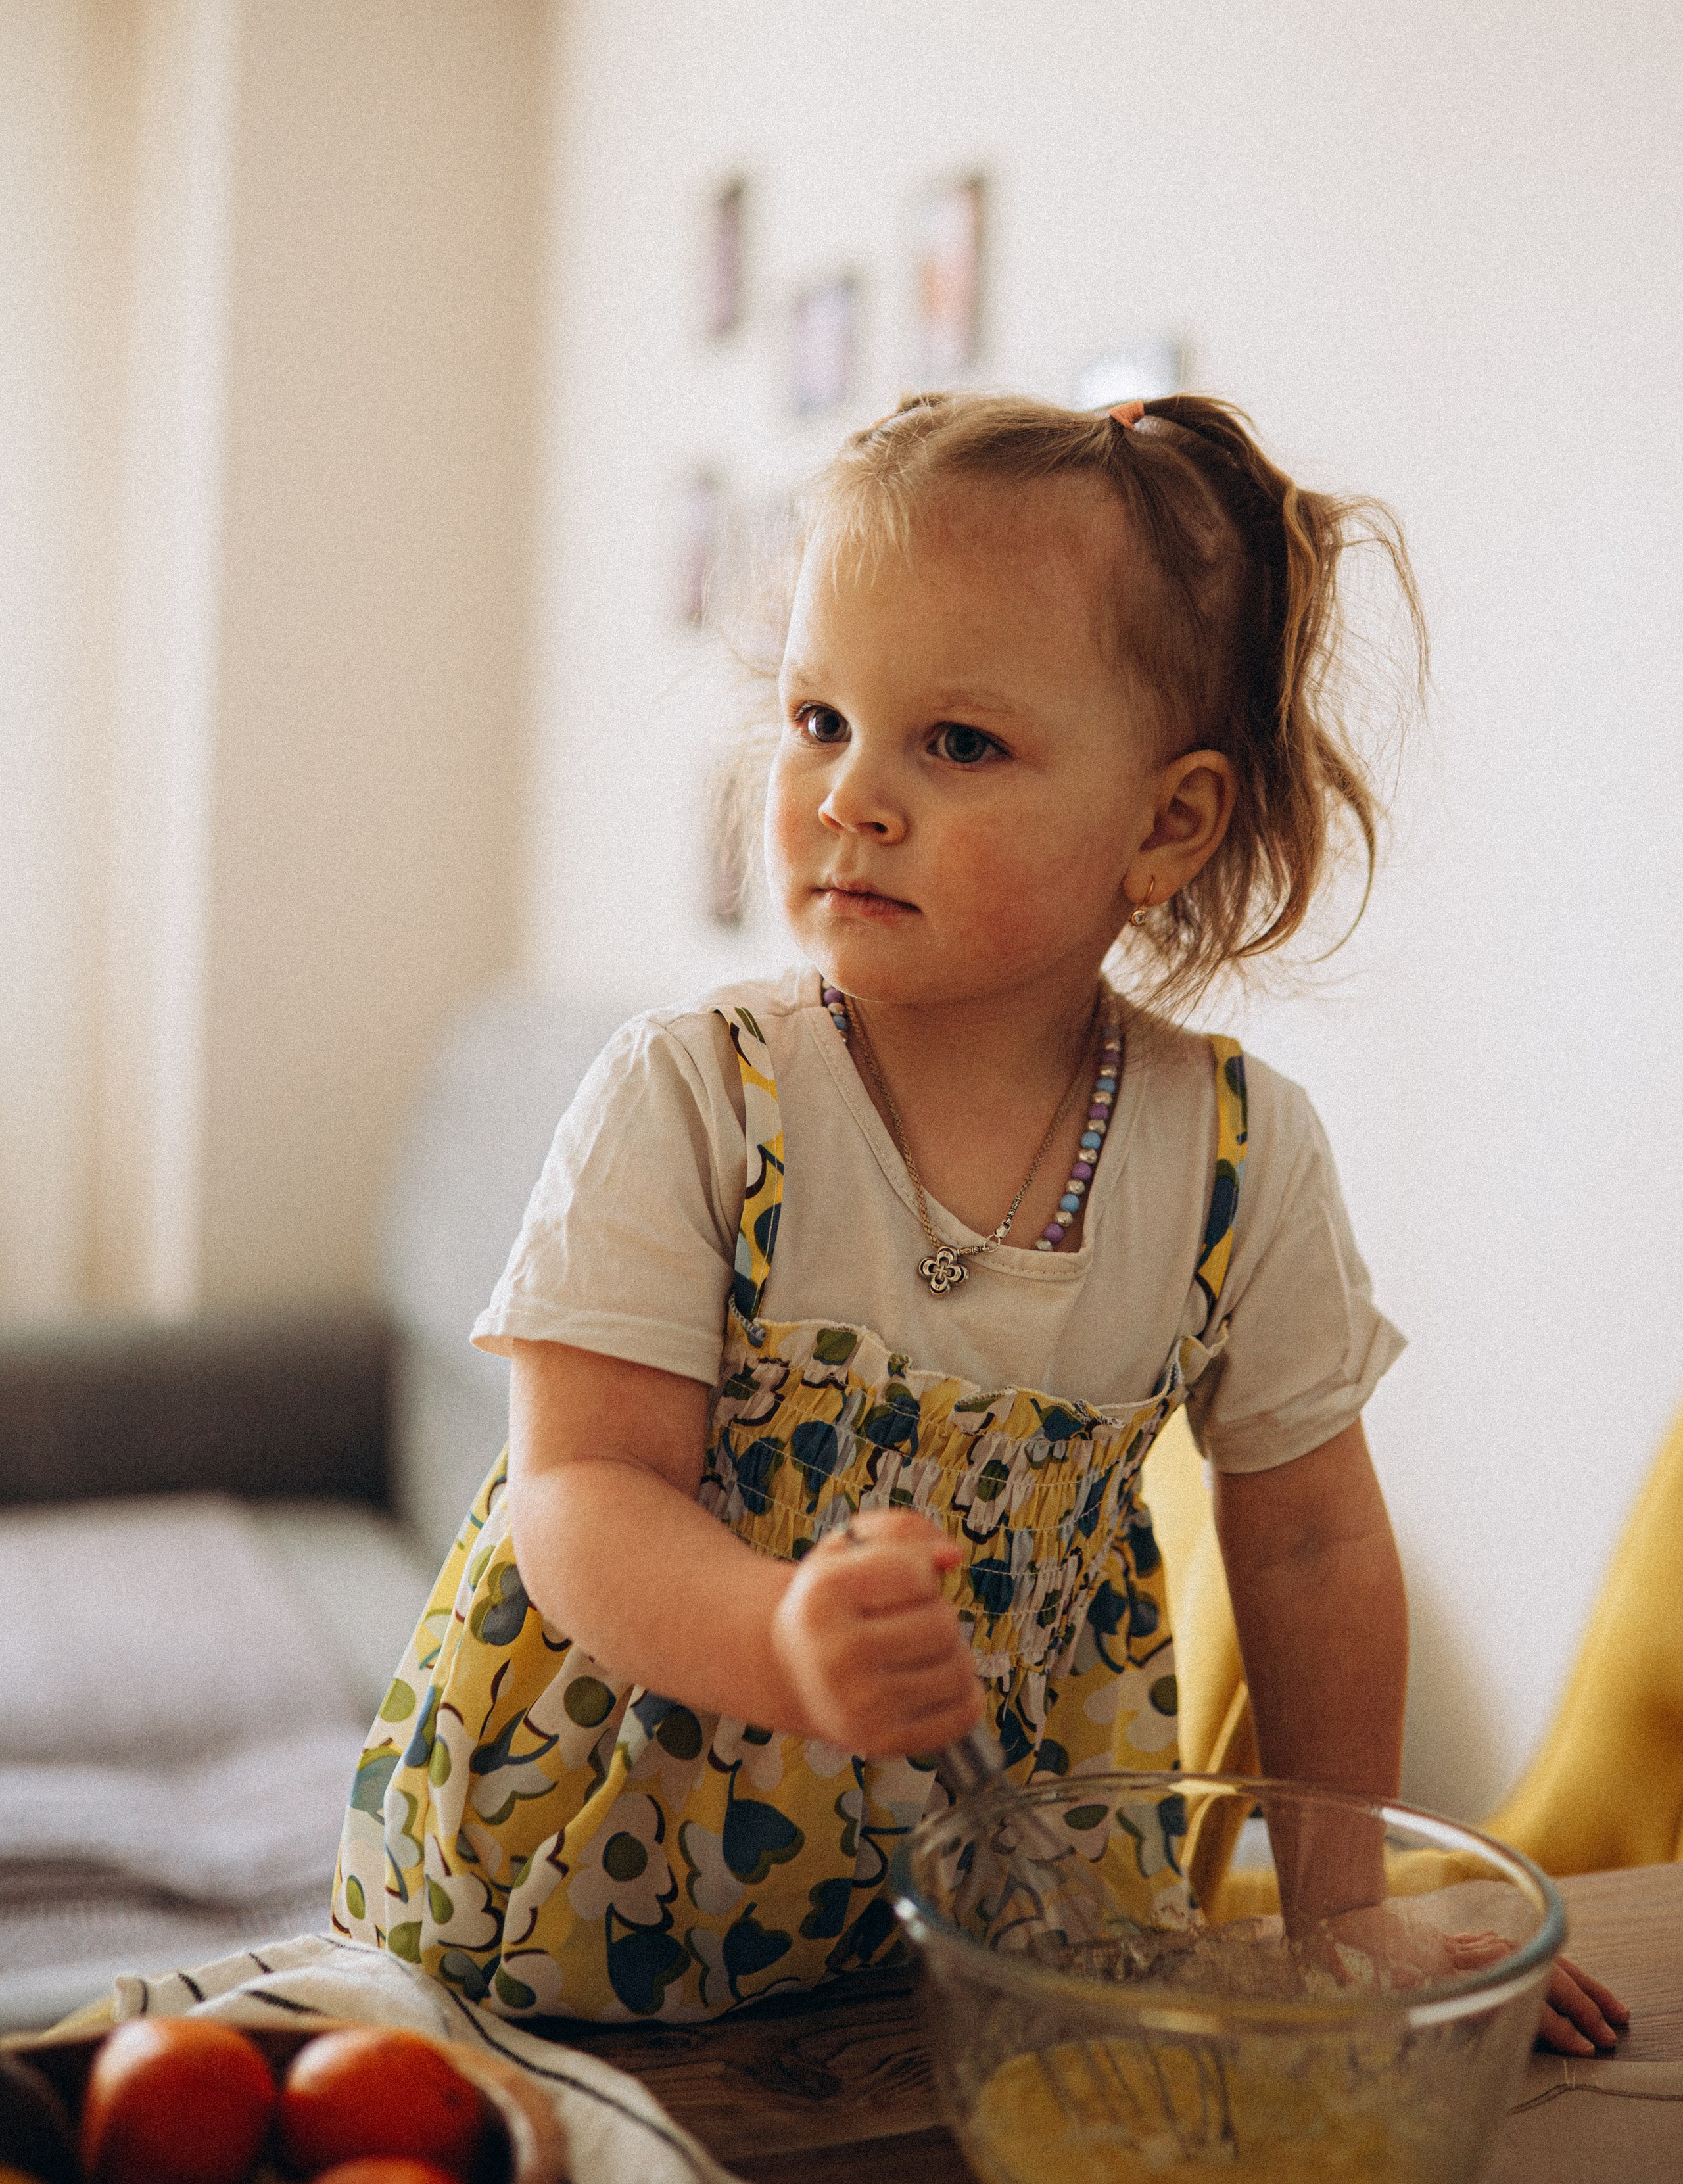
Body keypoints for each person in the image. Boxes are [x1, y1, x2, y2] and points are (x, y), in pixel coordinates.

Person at [335, 391, 1624, 2050]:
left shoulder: (1239, 1154)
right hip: (610, 1888)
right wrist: (779, 1641)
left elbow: (1307, 1541)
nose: (849, 797)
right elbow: (580, 1492)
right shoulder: (697, 1095)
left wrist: (1342, 1908)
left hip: (1002, 1918)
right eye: (816, 719)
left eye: (955, 744)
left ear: (1166, 825)